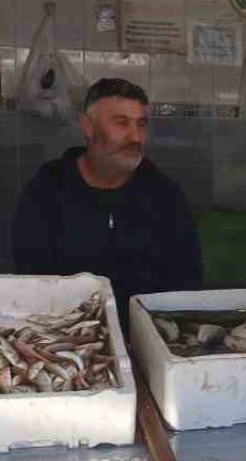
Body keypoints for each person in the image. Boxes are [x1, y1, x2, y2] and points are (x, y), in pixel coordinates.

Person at [13, 78, 202, 313]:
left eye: (141, 124)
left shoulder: (164, 195)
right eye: (122, 123)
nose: (135, 137)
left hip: (147, 332)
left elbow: (187, 280)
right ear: (88, 127)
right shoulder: (47, 190)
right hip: (69, 331)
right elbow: (32, 280)